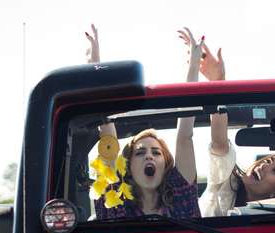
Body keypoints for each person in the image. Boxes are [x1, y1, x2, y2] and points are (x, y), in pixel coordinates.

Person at [85, 25, 201, 219]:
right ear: (128, 167)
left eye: (156, 152)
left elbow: (185, 136)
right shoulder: (114, 203)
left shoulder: (181, 195)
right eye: (140, 153)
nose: (149, 157)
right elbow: (108, 137)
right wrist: (95, 68)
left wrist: (194, 67)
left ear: (166, 165)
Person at [197, 42, 275, 217]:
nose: (265, 166)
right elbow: (219, 144)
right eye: (268, 161)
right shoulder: (225, 182)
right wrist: (217, 84)